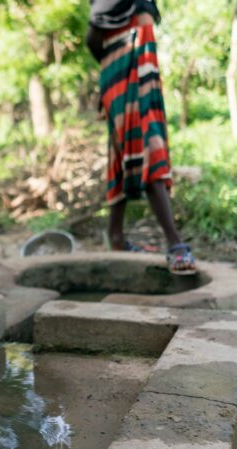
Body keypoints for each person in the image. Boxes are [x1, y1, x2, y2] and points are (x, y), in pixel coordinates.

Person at [85, 0, 195, 275]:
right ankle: (174, 242)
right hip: (124, 77)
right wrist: (115, 67)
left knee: (124, 151)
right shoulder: (113, 3)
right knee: (148, 145)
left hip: (140, 74)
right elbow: (92, 38)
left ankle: (116, 236)